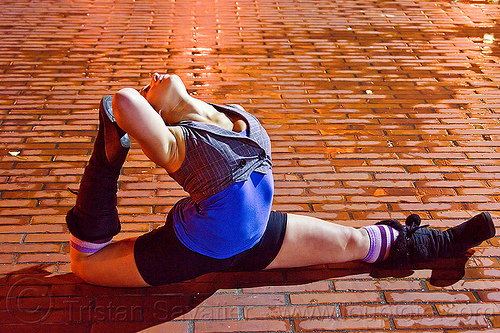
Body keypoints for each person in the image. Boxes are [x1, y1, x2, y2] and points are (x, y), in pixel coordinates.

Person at [66, 73, 496, 287]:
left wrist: (176, 100)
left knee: (355, 245)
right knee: (85, 265)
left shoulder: (228, 113)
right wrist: (133, 121)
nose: (152, 79)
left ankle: (447, 243)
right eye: (148, 89)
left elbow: (141, 101)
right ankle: (105, 162)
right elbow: (120, 101)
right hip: (192, 249)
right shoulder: (179, 144)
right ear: (154, 119)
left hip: (256, 234)